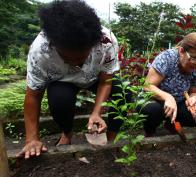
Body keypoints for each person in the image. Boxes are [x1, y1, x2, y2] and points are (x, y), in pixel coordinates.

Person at [17, 0, 125, 159]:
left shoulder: (106, 42)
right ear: (54, 45)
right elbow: (33, 95)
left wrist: (96, 112)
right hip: (63, 81)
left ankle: (111, 139)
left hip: (94, 77)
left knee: (123, 92)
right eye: (67, 58)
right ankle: (66, 134)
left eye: (81, 57)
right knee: (59, 100)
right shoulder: (40, 51)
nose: (75, 63)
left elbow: (106, 81)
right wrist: (31, 139)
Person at [141, 32, 196, 136]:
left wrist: (193, 98)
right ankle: (150, 130)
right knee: (152, 110)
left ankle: (171, 124)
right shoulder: (167, 58)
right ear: (181, 51)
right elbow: (147, 86)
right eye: (194, 58)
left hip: (178, 103)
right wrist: (168, 97)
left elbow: (195, 91)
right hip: (156, 101)